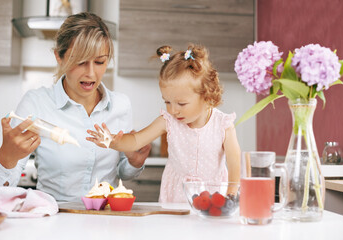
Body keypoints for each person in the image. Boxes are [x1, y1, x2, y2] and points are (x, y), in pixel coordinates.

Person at [0, 12, 151, 202]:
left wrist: (134, 162)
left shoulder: (121, 105)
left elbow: (124, 172)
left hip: (104, 221)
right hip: (54, 220)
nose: (91, 73)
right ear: (59, 56)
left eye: (99, 62)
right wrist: (7, 158)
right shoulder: (36, 103)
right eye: (80, 62)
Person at [87, 44, 241, 203]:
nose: (173, 110)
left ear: (207, 96)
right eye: (167, 102)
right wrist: (110, 141)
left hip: (213, 196)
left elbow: (234, 161)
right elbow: (135, 141)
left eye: (181, 104)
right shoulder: (168, 122)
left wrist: (231, 192)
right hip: (176, 197)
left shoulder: (223, 125)